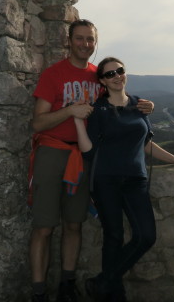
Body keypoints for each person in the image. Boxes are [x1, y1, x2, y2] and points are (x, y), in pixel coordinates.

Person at [28, 20, 154, 302]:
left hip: (87, 159)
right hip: (53, 150)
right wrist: (69, 110)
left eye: (90, 40)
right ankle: (38, 292)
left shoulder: (99, 76)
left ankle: (67, 285)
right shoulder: (53, 74)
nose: (85, 44)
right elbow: (38, 122)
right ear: (69, 41)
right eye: (80, 39)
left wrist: (146, 106)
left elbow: (119, 105)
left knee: (74, 224)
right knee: (45, 226)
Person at [74, 56, 174, 302]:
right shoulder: (98, 110)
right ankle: (113, 296)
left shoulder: (139, 104)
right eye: (110, 74)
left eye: (120, 71)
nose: (117, 76)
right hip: (105, 180)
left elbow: (146, 144)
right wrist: (77, 121)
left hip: (135, 180)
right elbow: (89, 149)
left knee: (146, 236)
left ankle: (101, 283)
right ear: (102, 82)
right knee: (114, 236)